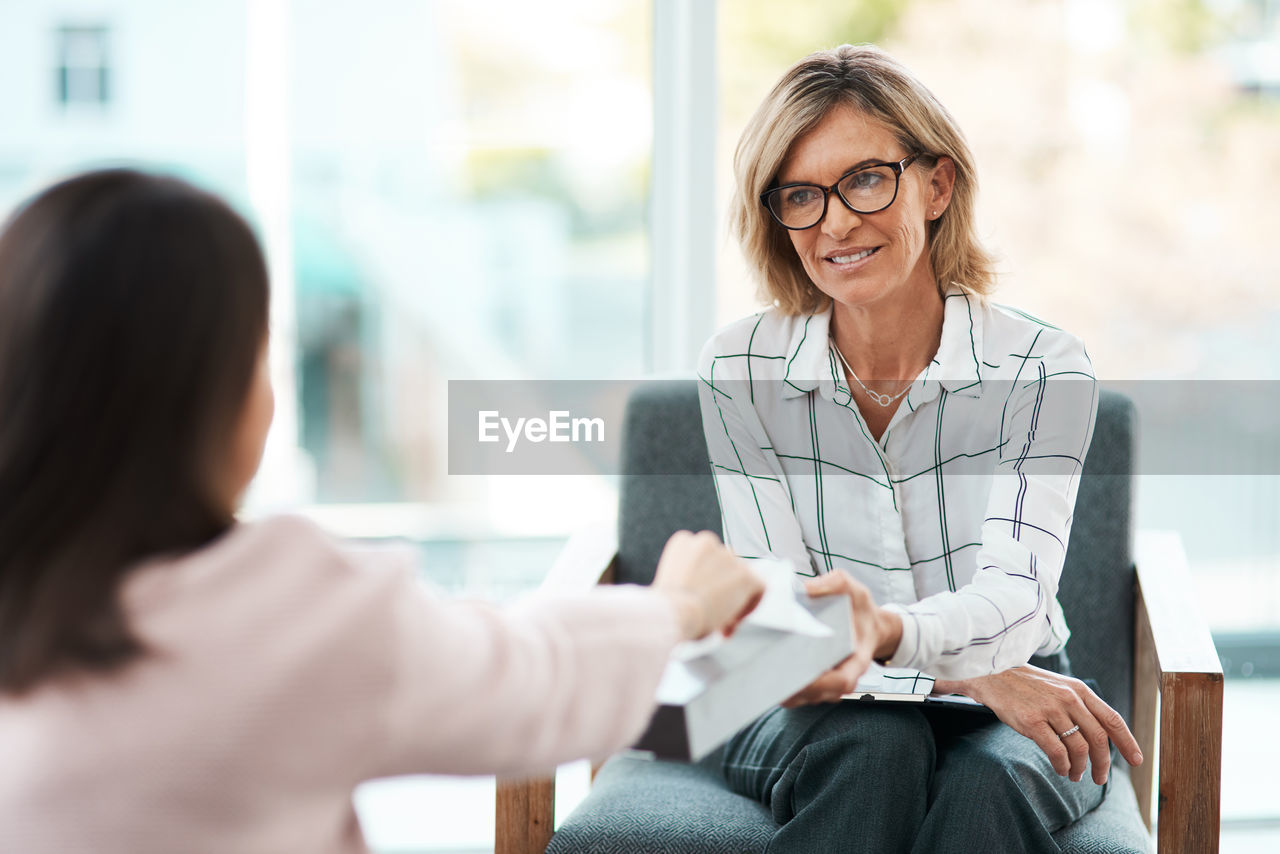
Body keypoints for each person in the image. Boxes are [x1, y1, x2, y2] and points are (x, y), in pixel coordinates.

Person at [0, 169, 765, 853]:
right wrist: (677, 606)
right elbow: (528, 679)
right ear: (207, 394)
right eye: (262, 355)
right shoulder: (285, 611)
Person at [698, 45, 1143, 852]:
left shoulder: (1044, 366)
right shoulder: (740, 368)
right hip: (795, 690)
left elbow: (1016, 591)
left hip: (1018, 671)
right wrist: (958, 672)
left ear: (937, 184)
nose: (834, 222)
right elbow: (784, 611)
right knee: (875, 746)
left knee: (987, 784)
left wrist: (913, 651)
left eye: (865, 179)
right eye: (800, 195)